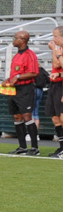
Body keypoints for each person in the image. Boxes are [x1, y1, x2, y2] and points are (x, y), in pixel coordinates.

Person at [4, 30, 42, 156]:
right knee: (17, 116)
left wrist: (19, 77)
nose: (13, 40)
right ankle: (22, 147)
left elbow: (34, 73)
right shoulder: (16, 56)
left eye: (15, 38)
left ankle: (35, 148)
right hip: (14, 90)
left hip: (25, 89)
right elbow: (14, 74)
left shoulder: (30, 55)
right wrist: (8, 80)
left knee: (27, 116)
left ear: (22, 40)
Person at [48, 27, 63, 157]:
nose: (53, 39)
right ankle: (61, 147)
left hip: (61, 85)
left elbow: (58, 64)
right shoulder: (59, 49)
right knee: (55, 117)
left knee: (62, 117)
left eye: (56, 36)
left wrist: (54, 51)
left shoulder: (58, 50)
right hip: (55, 83)